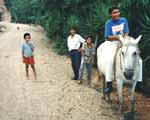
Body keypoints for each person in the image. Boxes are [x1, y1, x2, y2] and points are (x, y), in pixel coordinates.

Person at [104, 6, 142, 93]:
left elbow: (126, 32)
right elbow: (107, 37)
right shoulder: (108, 23)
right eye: (114, 12)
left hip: (124, 41)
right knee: (110, 60)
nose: (117, 14)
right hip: (113, 42)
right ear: (110, 14)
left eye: (118, 12)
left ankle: (139, 83)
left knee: (139, 60)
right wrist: (118, 37)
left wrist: (124, 40)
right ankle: (109, 83)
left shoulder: (124, 20)